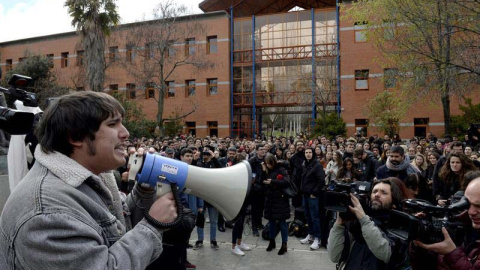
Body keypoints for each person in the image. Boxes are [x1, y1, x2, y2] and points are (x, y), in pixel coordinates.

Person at [0, 91, 177, 269]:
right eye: (113, 124)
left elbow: (119, 226)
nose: (125, 133)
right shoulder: (47, 214)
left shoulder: (92, 177)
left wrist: (144, 190)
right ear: (75, 137)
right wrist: (152, 226)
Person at [328, 178, 406, 270]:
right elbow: (335, 257)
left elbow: (386, 254)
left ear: (394, 203)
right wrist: (339, 225)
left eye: (384, 193)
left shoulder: (398, 226)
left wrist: (364, 220)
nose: (377, 195)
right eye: (374, 191)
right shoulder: (355, 223)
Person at [409, 174, 480, 269]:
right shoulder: (458, 225)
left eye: (478, 206)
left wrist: (452, 253)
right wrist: (422, 243)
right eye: (467, 204)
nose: (471, 212)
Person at [261, 153, 291, 255]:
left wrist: (273, 182)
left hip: (280, 200)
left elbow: (287, 181)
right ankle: (272, 241)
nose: (268, 165)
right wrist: (264, 171)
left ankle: (284, 245)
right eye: (266, 164)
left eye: (269, 163)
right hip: (270, 199)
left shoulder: (281, 169)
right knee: (271, 222)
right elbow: (263, 181)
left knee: (282, 223)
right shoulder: (267, 169)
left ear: (273, 162)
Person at [299, 147, 326, 250]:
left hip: (313, 195)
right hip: (305, 194)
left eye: (310, 152)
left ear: (313, 154)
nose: (308, 154)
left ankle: (317, 238)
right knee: (307, 216)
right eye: (306, 152)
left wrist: (314, 193)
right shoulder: (305, 164)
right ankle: (310, 235)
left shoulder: (317, 165)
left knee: (315, 217)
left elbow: (321, 181)